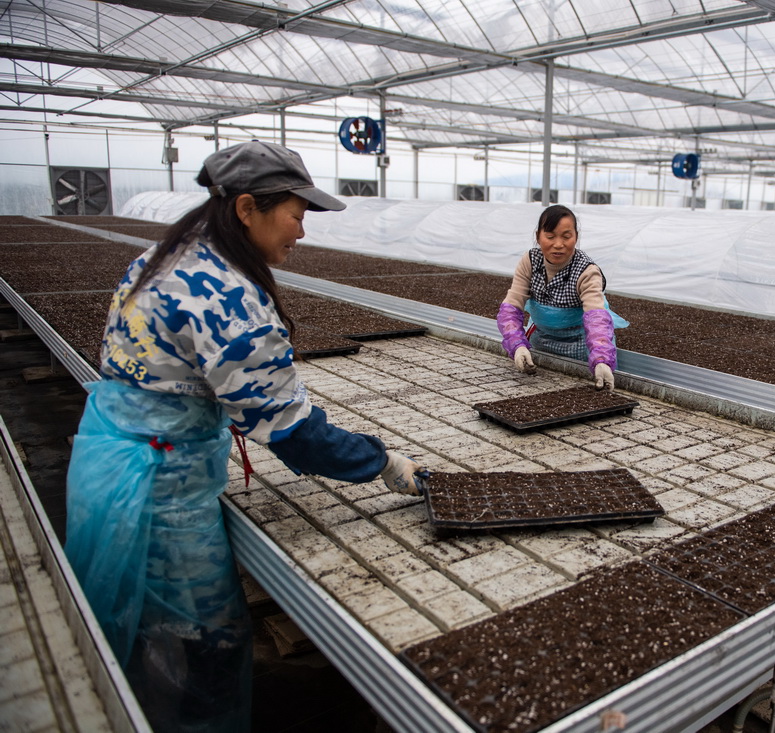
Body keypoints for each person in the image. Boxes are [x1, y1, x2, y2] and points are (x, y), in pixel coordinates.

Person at [64, 140, 425, 733]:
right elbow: (292, 434)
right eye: (296, 215)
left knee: (136, 624)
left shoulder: (166, 255)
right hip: (160, 487)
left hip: (111, 452)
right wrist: (384, 461)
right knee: (205, 640)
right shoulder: (228, 297)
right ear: (247, 209)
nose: (302, 232)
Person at [496, 204, 628, 390]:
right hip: (541, 339)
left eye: (566, 237)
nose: (558, 244)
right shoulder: (530, 262)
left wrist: (601, 359)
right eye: (550, 236)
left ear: (576, 237)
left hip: (581, 344)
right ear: (538, 237)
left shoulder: (587, 271)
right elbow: (511, 307)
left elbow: (596, 318)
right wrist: (517, 345)